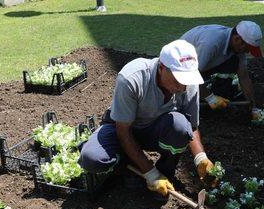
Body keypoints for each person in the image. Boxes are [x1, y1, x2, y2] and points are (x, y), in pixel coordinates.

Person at [78, 40, 218, 198]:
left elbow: (191, 127)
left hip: (154, 131)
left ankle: (165, 174)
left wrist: (201, 158)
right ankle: (125, 160)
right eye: (178, 80)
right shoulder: (132, 77)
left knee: (180, 127)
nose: (182, 87)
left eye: (186, 80)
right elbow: (123, 131)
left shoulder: (187, 83)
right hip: (123, 128)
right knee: (92, 160)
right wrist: (150, 173)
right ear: (162, 67)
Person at [181, 21, 263, 119]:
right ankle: (195, 98)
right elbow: (190, 75)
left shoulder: (237, 47)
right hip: (181, 69)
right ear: (237, 39)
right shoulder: (211, 43)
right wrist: (210, 98)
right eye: (247, 49)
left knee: (233, 62)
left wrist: (253, 108)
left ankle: (218, 95)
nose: (247, 52)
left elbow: (244, 77)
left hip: (199, 67)